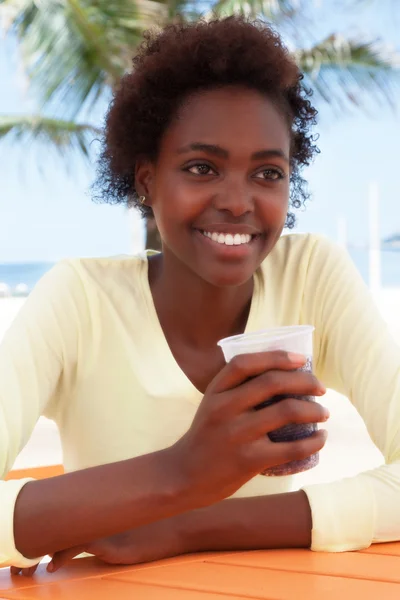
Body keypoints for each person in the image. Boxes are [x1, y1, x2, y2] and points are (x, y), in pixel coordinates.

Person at [1, 16, 400, 577]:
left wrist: (185, 523)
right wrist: (179, 472)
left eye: (267, 173)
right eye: (201, 167)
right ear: (146, 179)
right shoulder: (80, 299)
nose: (238, 202)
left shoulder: (311, 274)